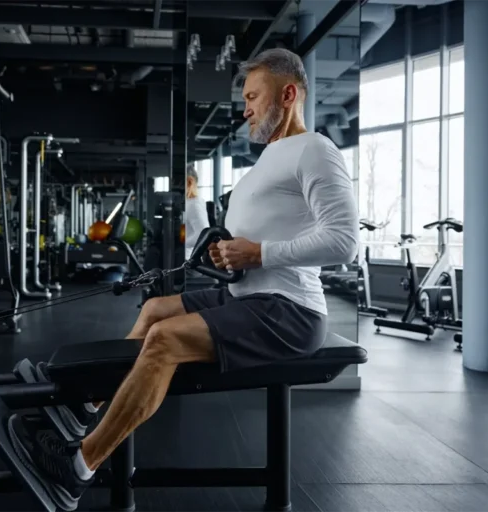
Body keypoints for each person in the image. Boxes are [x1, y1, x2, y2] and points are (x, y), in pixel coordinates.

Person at [24, 47, 360, 511]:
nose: (245, 109)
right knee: (155, 309)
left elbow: (344, 241)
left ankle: (78, 467)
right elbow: (266, 239)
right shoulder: (266, 159)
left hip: (290, 312)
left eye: (253, 97)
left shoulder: (316, 149)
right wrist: (233, 256)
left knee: (163, 338)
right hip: (247, 296)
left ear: (287, 94)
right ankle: (89, 412)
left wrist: (260, 253)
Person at [184, 164, 211, 258]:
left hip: (188, 261)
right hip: (180, 257)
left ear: (189, 181)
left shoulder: (194, 203)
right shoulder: (186, 202)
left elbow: (203, 233)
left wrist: (182, 242)